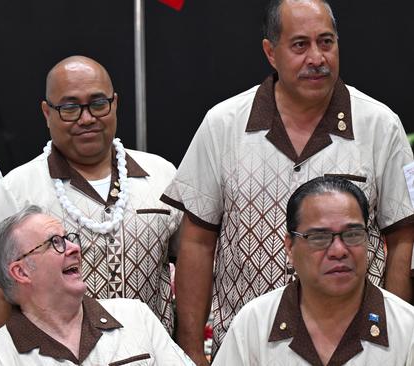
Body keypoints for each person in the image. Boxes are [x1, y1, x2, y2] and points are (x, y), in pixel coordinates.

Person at [160, 0, 414, 363]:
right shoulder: (223, 125)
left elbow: (403, 238)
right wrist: (190, 352)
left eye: (326, 42)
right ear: (270, 52)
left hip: (361, 349)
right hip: (247, 347)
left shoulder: (381, 126)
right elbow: (197, 242)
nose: (317, 57)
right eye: (300, 45)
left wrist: (397, 336)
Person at [0, 55, 182, 356]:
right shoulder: (16, 190)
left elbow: (193, 263)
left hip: (147, 356)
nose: (86, 118)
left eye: (98, 103)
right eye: (70, 108)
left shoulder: (162, 175)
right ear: (46, 112)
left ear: (115, 103)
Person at [213, 177, 414, 365]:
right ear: (290, 247)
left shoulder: (407, 328)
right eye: (319, 237)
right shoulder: (254, 323)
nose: (338, 251)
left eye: (353, 234)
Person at [0, 205, 194, 365]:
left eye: (68, 238)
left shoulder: (134, 315)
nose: (74, 248)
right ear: (21, 271)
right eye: (55, 243)